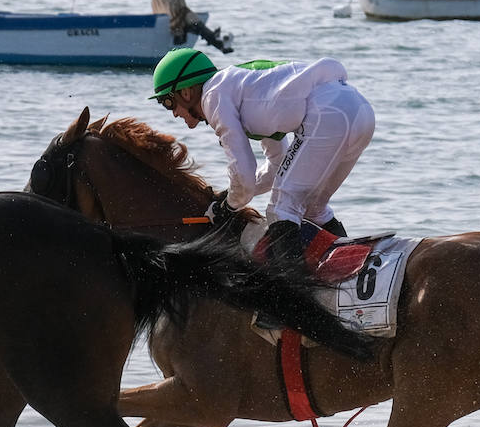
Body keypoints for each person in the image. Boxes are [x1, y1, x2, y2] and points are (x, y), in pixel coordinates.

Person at [149, 47, 375, 267]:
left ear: (186, 92)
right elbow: (277, 165)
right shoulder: (241, 89)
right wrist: (230, 198)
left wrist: (228, 207)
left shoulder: (213, 97)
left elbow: (244, 177)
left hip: (330, 114)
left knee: (281, 210)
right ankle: (354, 272)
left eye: (168, 103)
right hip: (359, 111)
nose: (174, 113)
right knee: (313, 208)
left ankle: (295, 293)